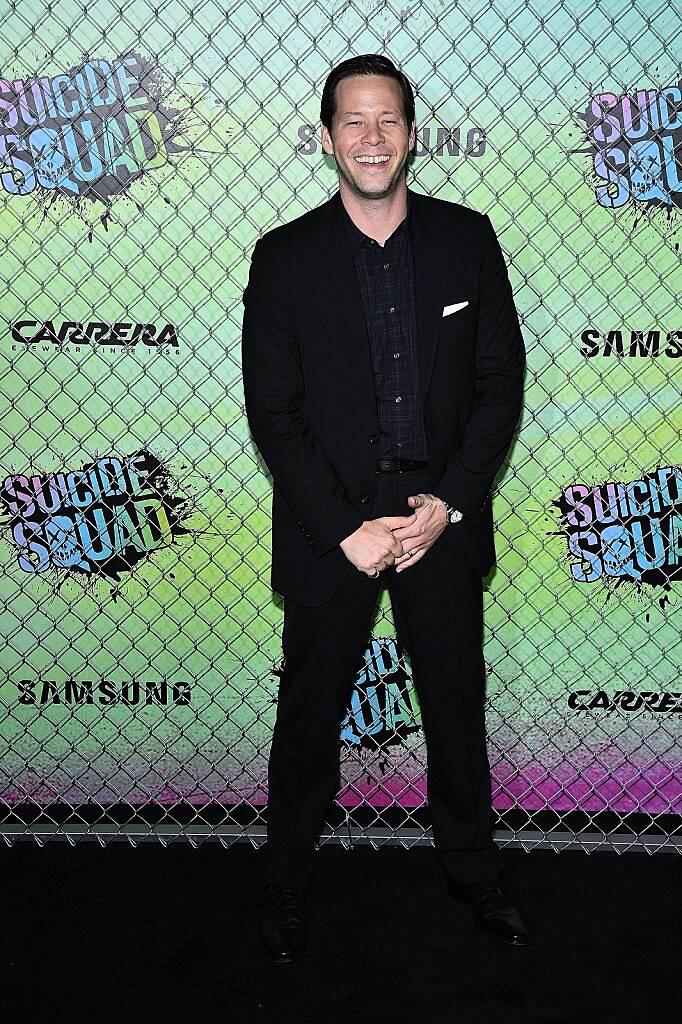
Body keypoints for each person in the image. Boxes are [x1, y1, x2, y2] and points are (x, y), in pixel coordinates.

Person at [241, 53, 528, 965]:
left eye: (388, 120)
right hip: (336, 524)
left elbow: (498, 384)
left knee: (453, 705)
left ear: (412, 131)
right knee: (310, 710)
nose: (372, 138)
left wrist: (447, 502)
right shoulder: (283, 257)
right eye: (353, 123)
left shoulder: (467, 240)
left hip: (437, 513)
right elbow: (274, 413)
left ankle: (473, 875)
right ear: (327, 137)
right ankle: (286, 882)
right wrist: (345, 528)